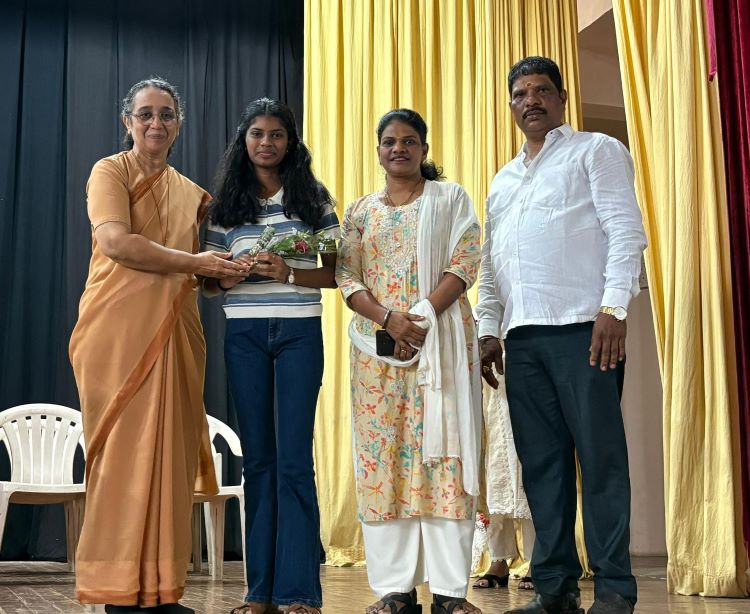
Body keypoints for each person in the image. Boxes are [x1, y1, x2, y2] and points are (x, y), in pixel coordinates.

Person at [70, 78, 248, 612]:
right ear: (127, 121)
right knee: (121, 462)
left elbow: (201, 274)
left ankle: (160, 592)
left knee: (168, 463)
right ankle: (119, 592)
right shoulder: (109, 172)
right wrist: (197, 264)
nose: (156, 123)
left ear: (179, 124)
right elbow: (116, 242)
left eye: (166, 114)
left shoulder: (190, 194)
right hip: (115, 333)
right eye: (145, 114)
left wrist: (231, 271)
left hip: (174, 333)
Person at [476, 56, 647, 614]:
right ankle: (554, 589)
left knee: (600, 461)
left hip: (585, 330)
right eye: (520, 93)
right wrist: (488, 329)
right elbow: (491, 264)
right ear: (511, 104)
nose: (531, 100)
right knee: (542, 468)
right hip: (521, 340)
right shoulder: (502, 180)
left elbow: (626, 230)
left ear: (561, 97)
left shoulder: (596, 151)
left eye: (542, 90)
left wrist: (613, 307)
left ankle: (615, 590)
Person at [336, 109, 483, 614]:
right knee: (385, 460)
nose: (399, 148)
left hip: (441, 344)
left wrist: (418, 319)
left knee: (445, 460)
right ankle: (395, 591)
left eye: (409, 140)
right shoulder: (360, 212)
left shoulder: (450, 199)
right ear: (378, 151)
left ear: (424, 148)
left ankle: (450, 593)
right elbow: (346, 276)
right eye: (389, 141)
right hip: (377, 356)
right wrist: (389, 321)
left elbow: (465, 262)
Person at [204, 98, 339, 614]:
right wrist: (229, 274)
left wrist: (288, 272)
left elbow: (336, 273)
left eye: (276, 134)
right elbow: (208, 283)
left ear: (290, 140)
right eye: (257, 134)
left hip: (300, 334)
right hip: (244, 335)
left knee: (294, 460)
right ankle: (258, 593)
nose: (266, 142)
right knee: (258, 461)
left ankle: (299, 592)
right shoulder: (224, 205)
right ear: (244, 141)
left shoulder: (313, 197)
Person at [473, 378, 535, 592]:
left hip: (524, 374)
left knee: (527, 476)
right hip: (489, 383)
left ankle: (537, 561)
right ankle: (498, 560)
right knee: (494, 474)